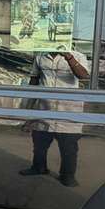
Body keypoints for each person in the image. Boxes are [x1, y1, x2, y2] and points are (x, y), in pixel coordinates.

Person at [19, 50, 90, 187]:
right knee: (39, 143)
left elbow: (83, 76)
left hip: (68, 110)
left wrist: (69, 57)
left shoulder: (78, 56)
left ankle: (67, 175)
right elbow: (34, 81)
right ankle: (39, 167)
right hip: (45, 108)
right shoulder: (40, 56)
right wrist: (29, 107)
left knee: (68, 146)